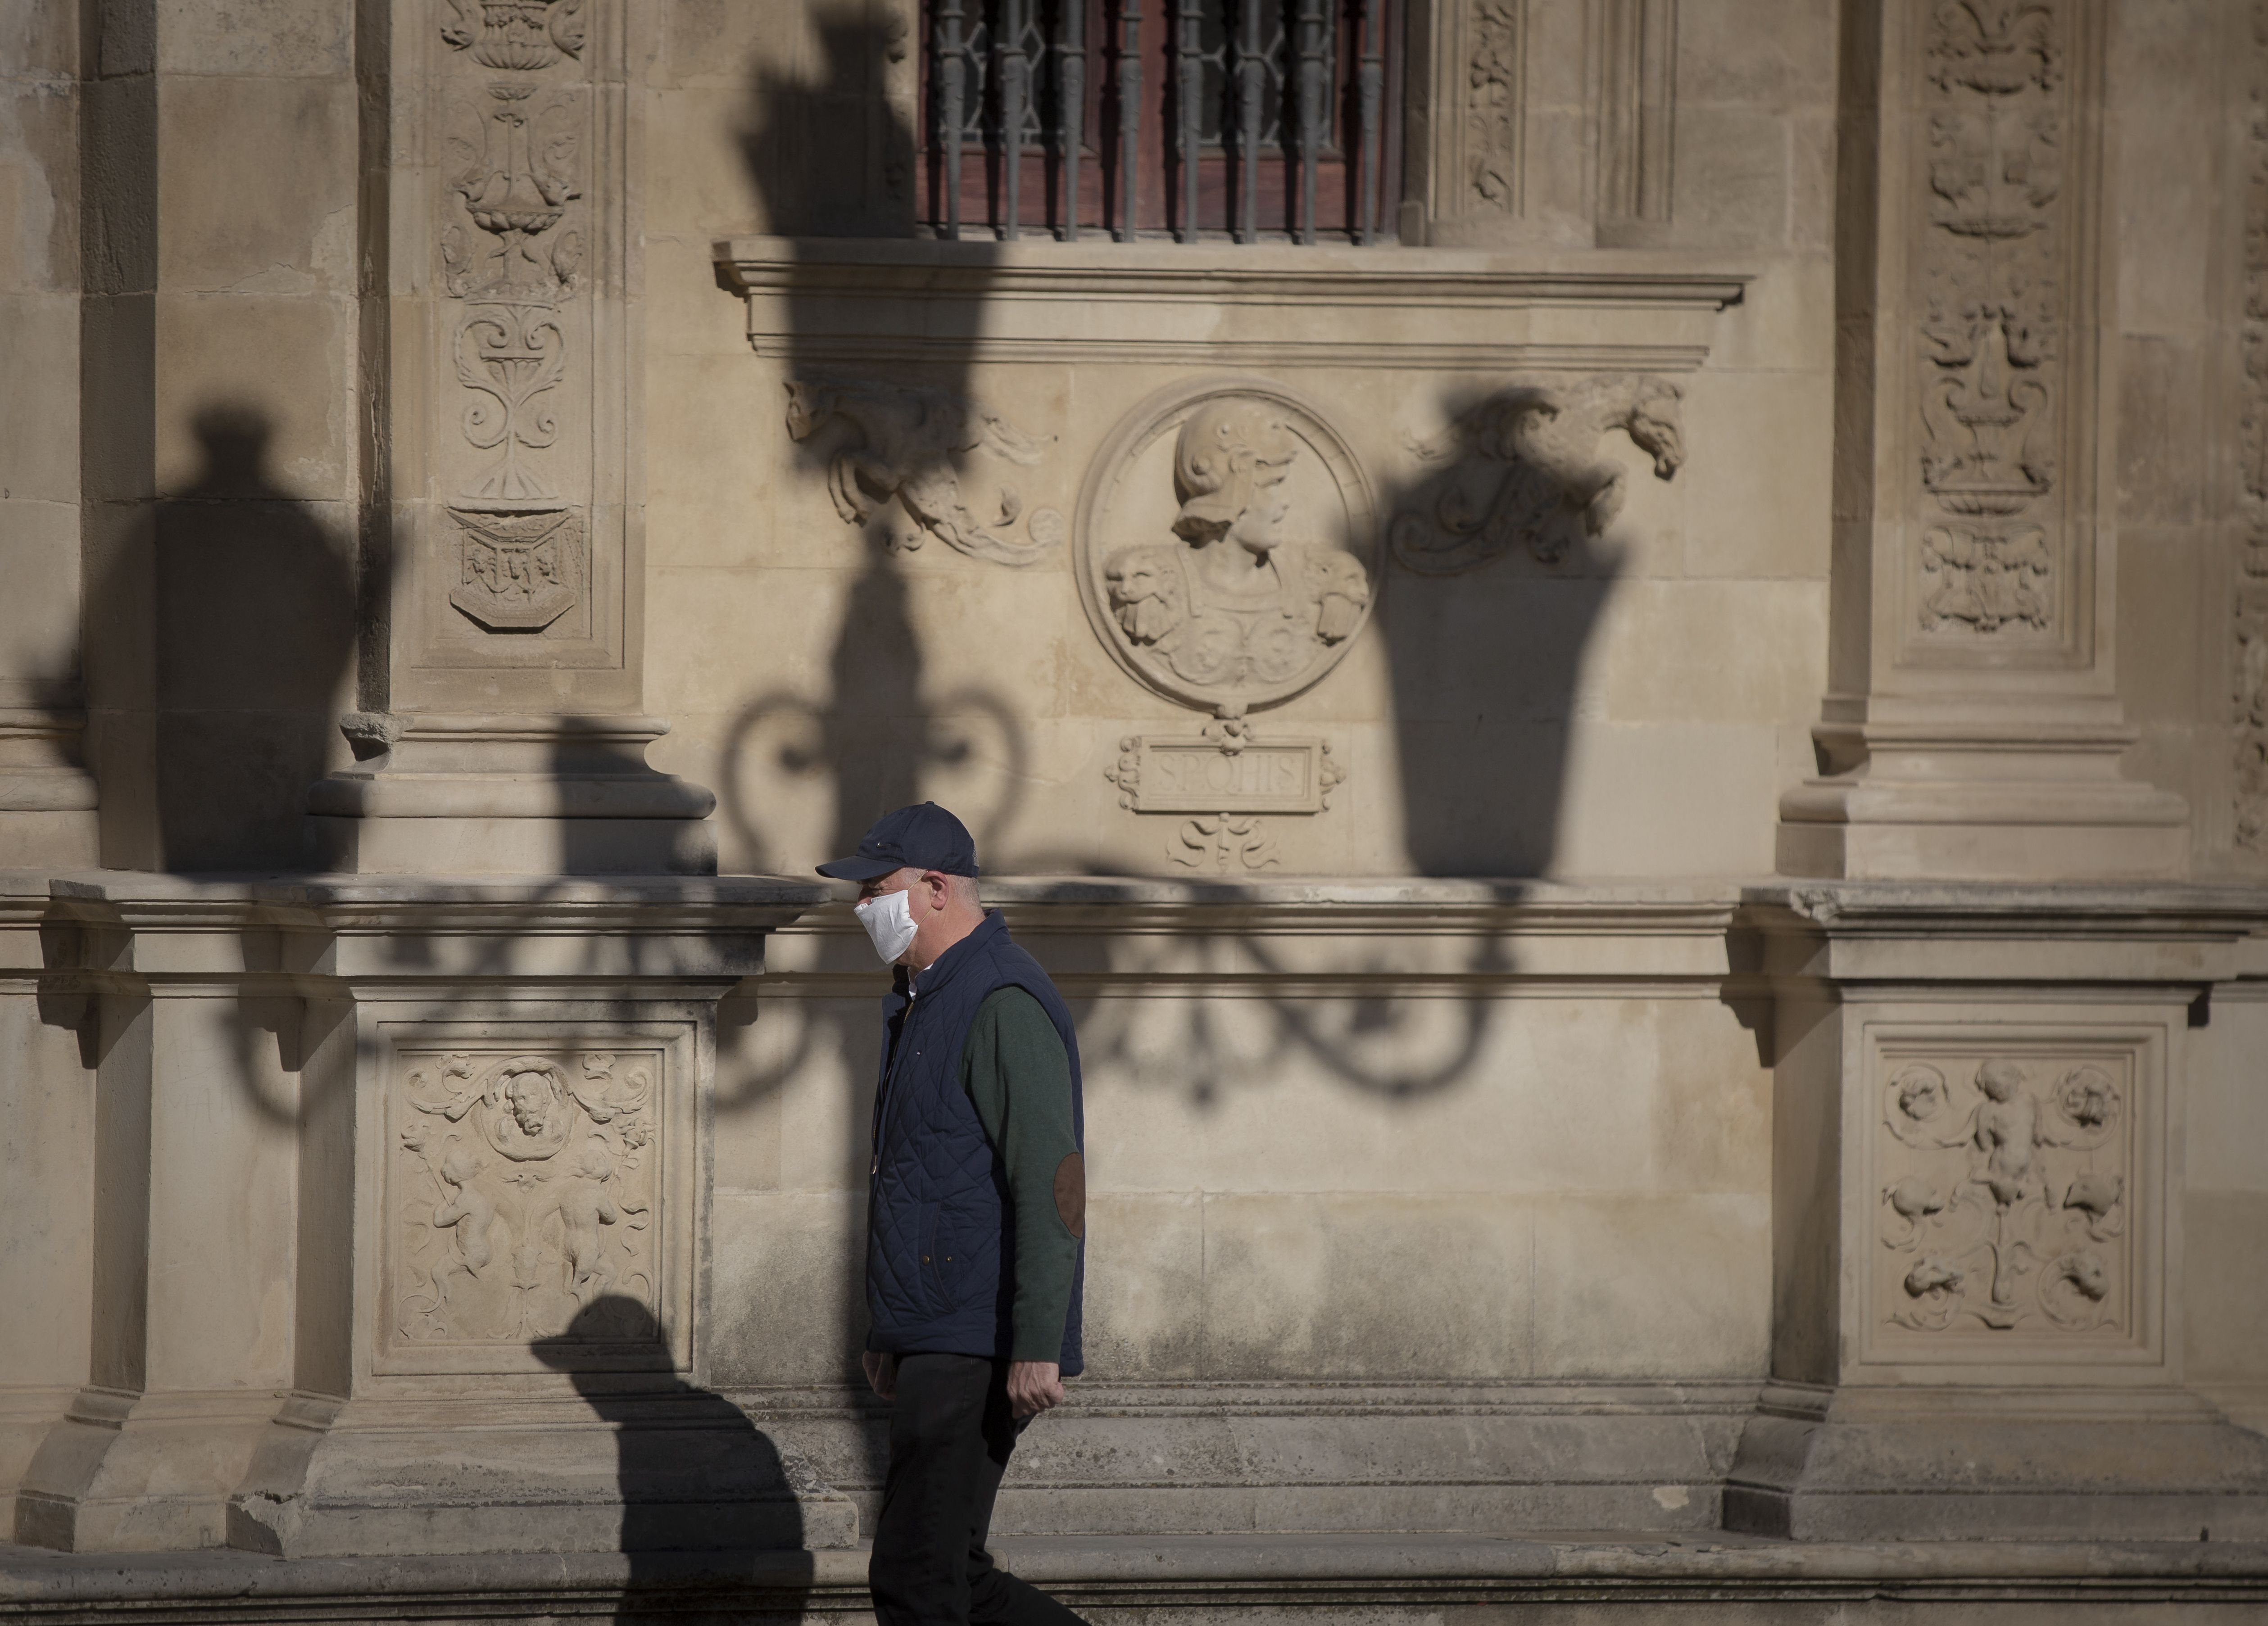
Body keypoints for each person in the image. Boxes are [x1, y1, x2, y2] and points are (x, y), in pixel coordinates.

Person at [818, 803, 1091, 1626]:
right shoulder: (926, 996)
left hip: (973, 1335)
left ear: (935, 889)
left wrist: (1038, 1343)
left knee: (916, 1576)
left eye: (876, 889)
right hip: (935, 1328)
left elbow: (1053, 1182)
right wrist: (889, 1329)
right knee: (951, 1574)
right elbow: (919, 1176)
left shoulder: (999, 997)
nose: (862, 906)